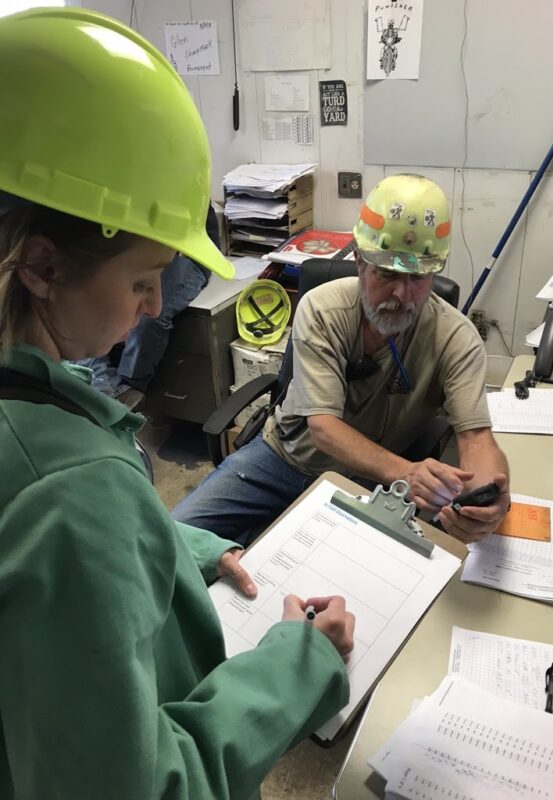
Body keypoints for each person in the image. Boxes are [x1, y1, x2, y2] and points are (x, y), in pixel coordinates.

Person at [0, 8, 354, 800]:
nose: (159, 305)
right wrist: (299, 664)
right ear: (41, 265)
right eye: (141, 277)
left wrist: (176, 549)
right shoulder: (74, 490)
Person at [173, 174, 511, 546]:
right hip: (282, 460)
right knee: (171, 542)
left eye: (418, 277)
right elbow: (323, 428)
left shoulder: (456, 338)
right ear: (359, 262)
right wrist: (408, 473)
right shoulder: (323, 310)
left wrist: (488, 498)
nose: (402, 293)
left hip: (368, 480)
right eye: (387, 273)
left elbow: (477, 439)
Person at [75, 205, 219, 408]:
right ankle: (107, 388)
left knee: (148, 318)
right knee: (92, 303)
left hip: (184, 250)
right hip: (122, 247)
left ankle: (127, 391)